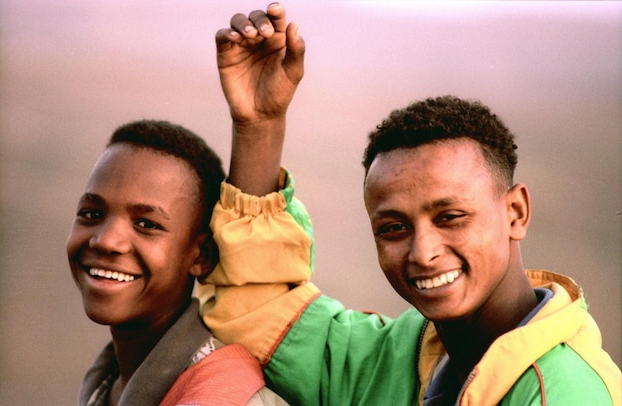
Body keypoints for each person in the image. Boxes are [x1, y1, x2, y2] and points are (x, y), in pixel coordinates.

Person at [199, 3, 621, 405]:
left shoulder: (564, 391)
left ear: (516, 213)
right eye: (394, 228)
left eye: (451, 218)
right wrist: (259, 124)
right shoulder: (396, 357)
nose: (423, 252)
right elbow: (258, 309)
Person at [66, 120, 288, 405]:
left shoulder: (224, 396)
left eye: (146, 224)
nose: (106, 241)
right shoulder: (107, 382)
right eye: (92, 214)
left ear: (201, 256)